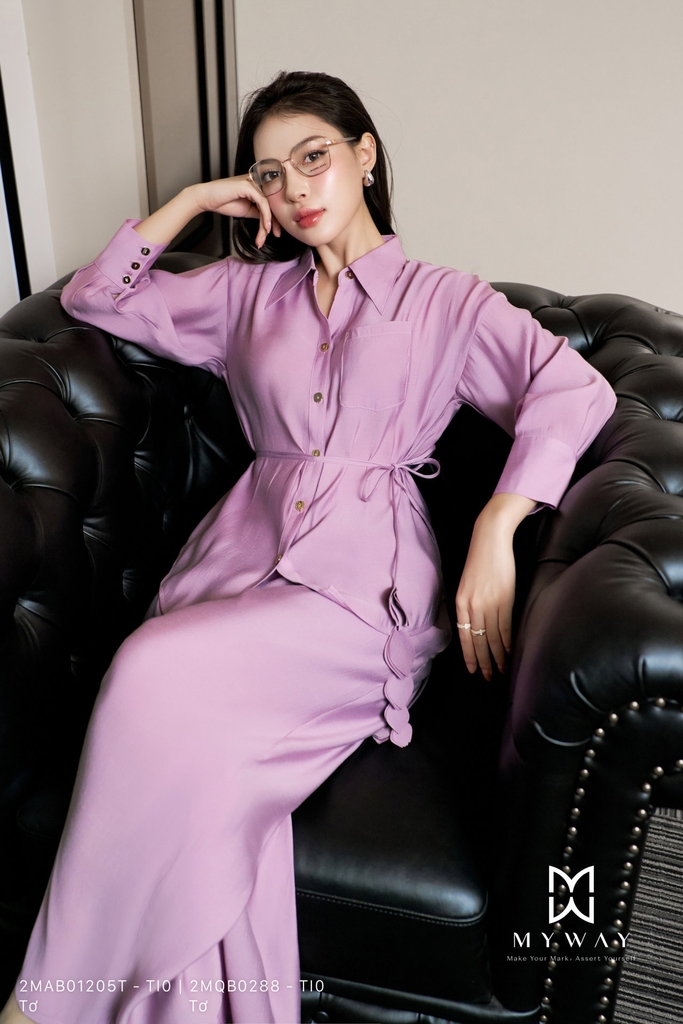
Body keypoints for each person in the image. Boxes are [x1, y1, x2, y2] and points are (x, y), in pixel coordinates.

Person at [0, 70, 617, 1024]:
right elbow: (97, 297)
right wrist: (195, 200)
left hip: (362, 592)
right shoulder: (244, 295)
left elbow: (574, 391)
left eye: (313, 157)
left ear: (365, 156)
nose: (293, 189)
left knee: (149, 672)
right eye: (269, 173)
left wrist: (497, 523)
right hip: (231, 569)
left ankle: (42, 1007)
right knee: (215, 788)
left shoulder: (447, 303)